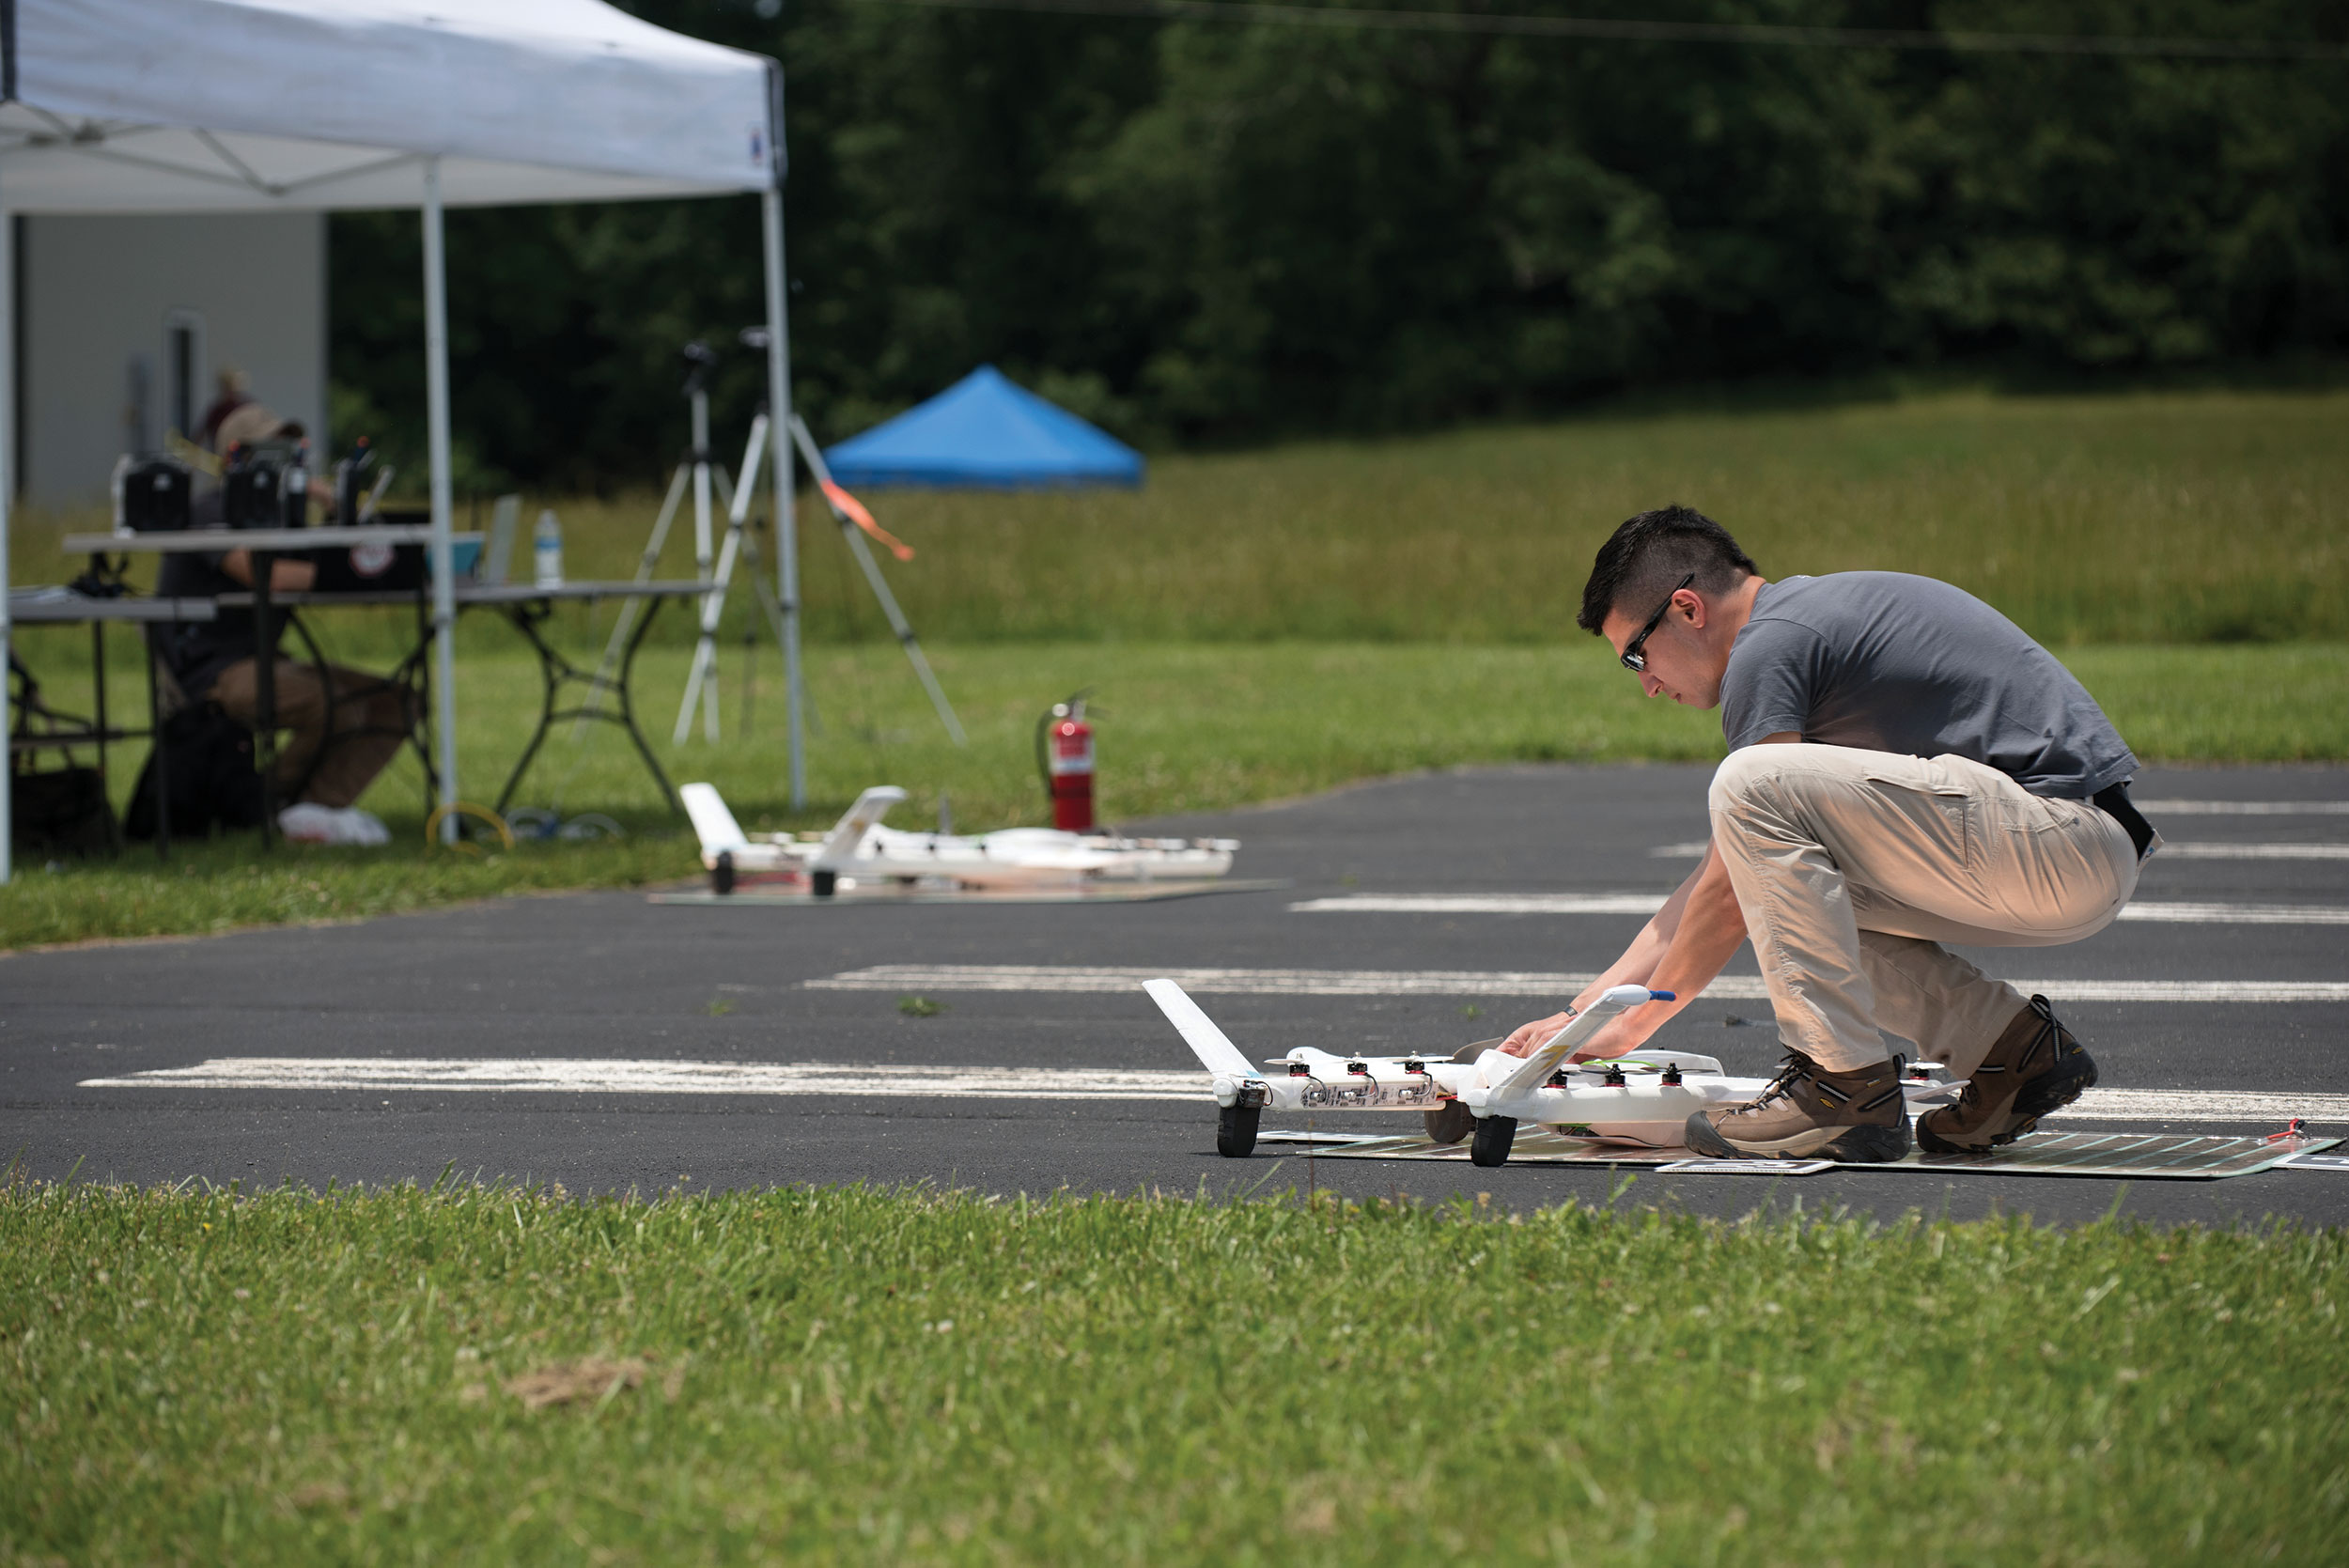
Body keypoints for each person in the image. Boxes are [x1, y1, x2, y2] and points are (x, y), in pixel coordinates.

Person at [1501, 505, 2157, 1162]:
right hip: (2070, 847)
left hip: (2060, 834)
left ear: (1687, 608)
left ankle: (1840, 1086)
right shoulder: (1795, 624)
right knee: (1788, 887)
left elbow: (1727, 883)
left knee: (1746, 786)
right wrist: (1582, 1013)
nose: (1645, 683)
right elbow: (1729, 877)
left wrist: (1634, 1025)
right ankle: (2013, 1050)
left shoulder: (1768, 646)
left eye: (1636, 655)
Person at [153, 401, 412, 845]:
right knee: (332, 704)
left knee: (397, 701)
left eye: (290, 452)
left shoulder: (281, 515)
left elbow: (321, 563)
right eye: (271, 453)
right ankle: (263, 805)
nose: (286, 463)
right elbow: (263, 576)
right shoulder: (210, 509)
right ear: (236, 456)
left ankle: (315, 811)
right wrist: (345, 572)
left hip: (265, 661)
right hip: (213, 671)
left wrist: (337, 511)